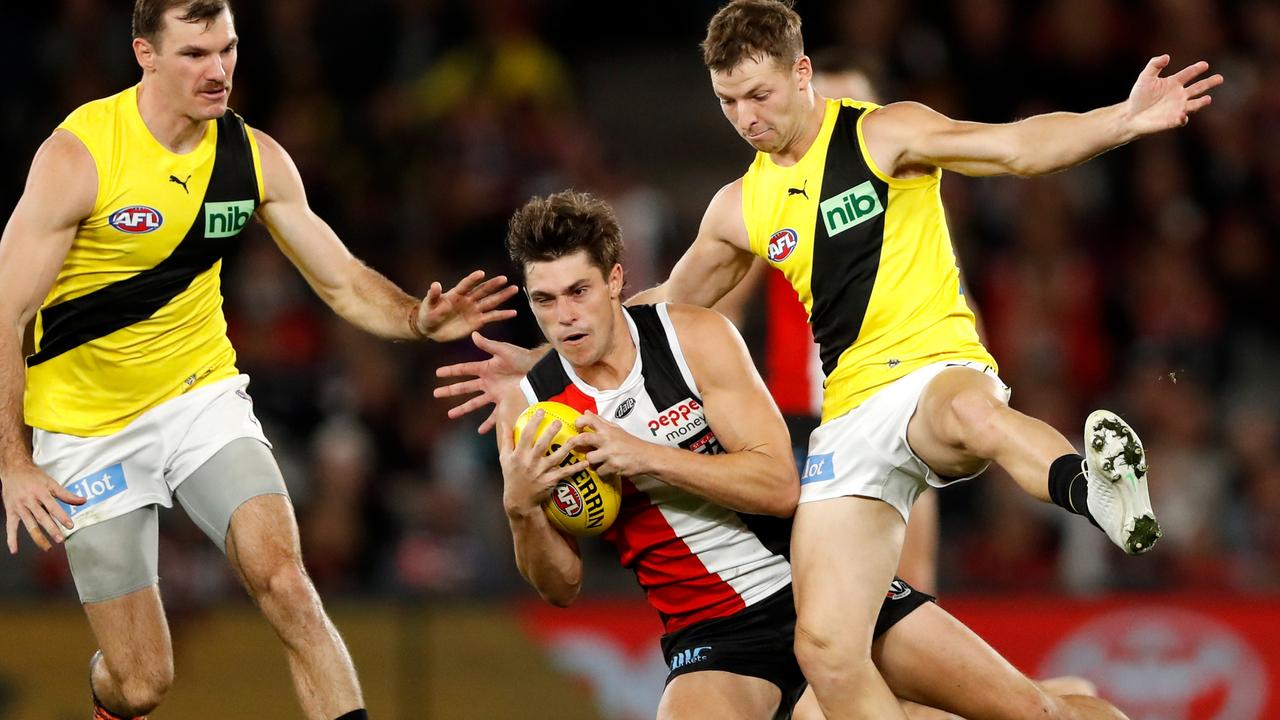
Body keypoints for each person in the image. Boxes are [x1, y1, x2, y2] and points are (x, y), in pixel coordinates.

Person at [444, 2, 1222, 717]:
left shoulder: (881, 133)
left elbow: (1014, 149)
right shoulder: (739, 207)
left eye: (759, 95)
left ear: (800, 73)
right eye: (727, 102)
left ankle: (1099, 492)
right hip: (848, 419)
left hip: (929, 368)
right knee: (825, 650)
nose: (746, 118)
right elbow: (658, 308)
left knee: (973, 414)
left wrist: (1120, 120)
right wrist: (544, 356)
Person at [0, 2, 515, 719]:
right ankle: (109, 696)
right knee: (142, 681)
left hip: (197, 395)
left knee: (286, 582)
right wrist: (14, 460)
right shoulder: (79, 155)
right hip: (86, 427)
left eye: (228, 50)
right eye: (194, 55)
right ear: (145, 55)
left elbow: (340, 279)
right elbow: (7, 311)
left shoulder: (252, 157)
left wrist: (414, 317)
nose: (217, 72)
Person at [487, 190, 1126, 720]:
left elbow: (777, 486)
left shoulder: (694, 339)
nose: (565, 317)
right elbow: (561, 586)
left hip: (824, 586)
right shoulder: (530, 409)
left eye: (579, 292)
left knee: (1038, 717)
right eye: (545, 301)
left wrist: (642, 455)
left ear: (616, 280)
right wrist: (521, 511)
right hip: (712, 639)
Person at [713, 47, 940, 593]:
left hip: (899, 404)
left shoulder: (911, 207)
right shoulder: (771, 203)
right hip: (803, 425)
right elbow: (719, 308)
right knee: (827, 594)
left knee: (913, 583)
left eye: (855, 106)